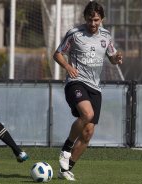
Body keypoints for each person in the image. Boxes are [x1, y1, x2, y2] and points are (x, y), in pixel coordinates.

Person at [53, 1, 122, 181]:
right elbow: (58, 53)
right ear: (85, 18)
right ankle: (66, 148)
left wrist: (117, 58)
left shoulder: (106, 36)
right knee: (87, 114)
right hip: (76, 82)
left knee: (88, 132)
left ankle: (65, 169)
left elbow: (112, 58)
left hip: (94, 87)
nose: (93, 24)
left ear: (102, 19)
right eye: (90, 20)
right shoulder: (75, 34)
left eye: (96, 20)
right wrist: (67, 66)